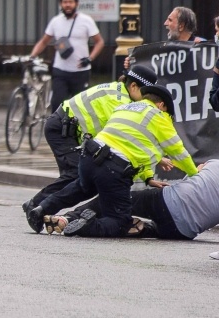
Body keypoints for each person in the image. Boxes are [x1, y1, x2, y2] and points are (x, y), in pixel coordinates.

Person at [38, 82, 199, 238]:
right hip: (113, 169)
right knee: (120, 221)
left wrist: (148, 178)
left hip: (89, 157)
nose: (168, 117)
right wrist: (194, 172)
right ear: (161, 105)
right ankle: (85, 226)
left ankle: (41, 208)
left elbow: (135, 146)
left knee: (81, 187)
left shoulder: (125, 107)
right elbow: (178, 152)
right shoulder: (159, 116)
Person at [21, 63, 158, 231]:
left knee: (80, 178)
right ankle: (36, 206)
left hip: (69, 130)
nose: (147, 101)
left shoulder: (120, 93)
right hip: (62, 129)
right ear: (134, 86)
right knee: (76, 176)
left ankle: (41, 209)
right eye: (146, 95)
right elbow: (119, 136)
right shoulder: (119, 101)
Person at [56, 161, 219, 240]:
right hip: (183, 231)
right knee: (142, 228)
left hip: (169, 202)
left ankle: (69, 218)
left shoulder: (214, 163)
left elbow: (193, 172)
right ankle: (89, 227)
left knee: (113, 198)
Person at [29, 0, 104, 111]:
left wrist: (90, 58)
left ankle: (75, 130)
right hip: (61, 70)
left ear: (77, 4)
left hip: (81, 71)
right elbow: (44, 41)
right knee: (57, 103)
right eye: (65, 2)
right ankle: (57, 129)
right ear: (60, 4)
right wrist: (32, 56)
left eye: (70, 2)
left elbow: (99, 42)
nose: (68, 5)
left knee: (80, 107)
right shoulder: (55, 21)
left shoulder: (86, 21)